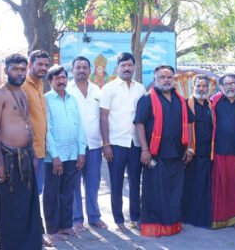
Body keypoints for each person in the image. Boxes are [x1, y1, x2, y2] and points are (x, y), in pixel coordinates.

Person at [134, 65, 193, 236]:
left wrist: (189, 147)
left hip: (176, 153)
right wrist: (144, 149)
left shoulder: (181, 100)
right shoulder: (147, 99)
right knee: (154, 192)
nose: (166, 80)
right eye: (162, 77)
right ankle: (153, 226)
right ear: (155, 79)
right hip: (155, 154)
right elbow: (139, 124)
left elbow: (189, 123)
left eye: (169, 77)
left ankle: (172, 225)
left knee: (174, 192)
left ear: (173, 79)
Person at [0, 54, 43, 249]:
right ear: (6, 70)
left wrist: (33, 153)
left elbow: (26, 124)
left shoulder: (23, 93)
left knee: (27, 206)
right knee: (10, 209)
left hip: (27, 157)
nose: (19, 73)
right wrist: (0, 163)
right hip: (9, 158)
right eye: (15, 69)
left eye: (23, 69)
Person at [99, 52, 146, 231]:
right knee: (116, 183)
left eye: (130, 65)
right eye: (123, 65)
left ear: (134, 67)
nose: (127, 68)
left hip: (135, 144)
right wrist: (106, 144)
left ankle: (135, 217)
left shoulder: (140, 88)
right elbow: (103, 117)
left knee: (135, 182)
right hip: (116, 145)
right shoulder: (109, 88)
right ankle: (118, 220)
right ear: (117, 68)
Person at [43, 65, 87, 241]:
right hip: (54, 157)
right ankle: (52, 229)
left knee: (68, 192)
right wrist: (54, 156)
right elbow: (47, 129)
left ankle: (66, 226)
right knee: (52, 193)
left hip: (72, 154)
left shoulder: (72, 99)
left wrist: (81, 151)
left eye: (63, 78)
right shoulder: (46, 100)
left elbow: (79, 125)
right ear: (50, 81)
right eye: (57, 78)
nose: (61, 81)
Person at [67, 56, 107, 231]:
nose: (82, 70)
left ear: (90, 70)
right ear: (72, 70)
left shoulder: (98, 91)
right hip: (73, 147)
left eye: (85, 67)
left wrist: (106, 143)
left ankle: (94, 216)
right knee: (74, 184)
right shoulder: (66, 90)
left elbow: (103, 118)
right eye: (78, 67)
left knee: (93, 182)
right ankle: (76, 219)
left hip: (94, 145)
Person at [210, 73, 235, 229]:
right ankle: (220, 217)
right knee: (221, 186)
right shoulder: (214, 101)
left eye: (232, 83)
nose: (230, 86)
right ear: (221, 87)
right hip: (219, 150)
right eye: (226, 84)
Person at [182, 74, 214, 228]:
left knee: (204, 186)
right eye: (198, 86)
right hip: (191, 152)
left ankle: (202, 217)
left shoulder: (210, 105)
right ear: (193, 87)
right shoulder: (186, 104)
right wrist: (187, 148)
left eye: (204, 86)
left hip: (208, 152)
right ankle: (188, 216)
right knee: (191, 185)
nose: (201, 89)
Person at [21, 50, 51, 194]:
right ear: (30, 64)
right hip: (30, 151)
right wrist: (29, 152)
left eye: (46, 65)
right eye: (40, 64)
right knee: (28, 192)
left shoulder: (40, 85)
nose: (43, 68)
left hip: (42, 150)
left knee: (36, 191)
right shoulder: (23, 87)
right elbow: (21, 120)